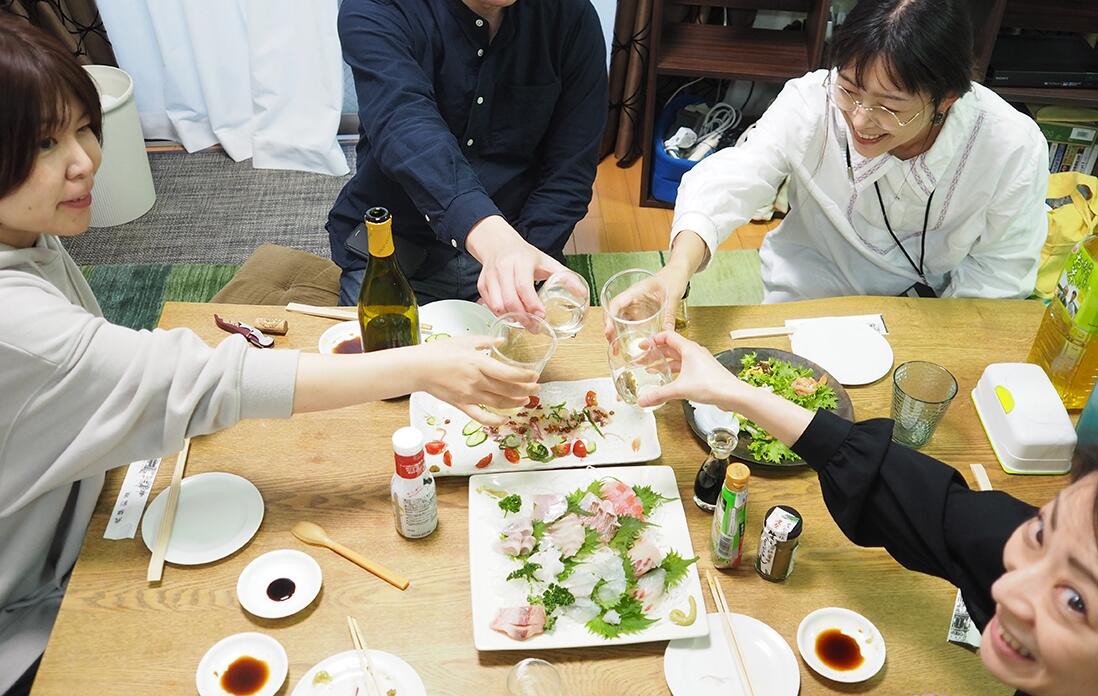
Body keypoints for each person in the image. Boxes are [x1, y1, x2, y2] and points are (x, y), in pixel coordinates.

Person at [0, 18, 539, 696]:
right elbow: (203, 380)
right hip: (28, 609)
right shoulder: (17, 322)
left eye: (84, 128)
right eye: (44, 142)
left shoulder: (25, 230)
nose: (84, 161)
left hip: (81, 498)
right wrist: (426, 366)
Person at [637, 331, 1098, 696]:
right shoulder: (1047, 543)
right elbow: (903, 491)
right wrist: (733, 392)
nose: (1006, 588)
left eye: (1075, 601)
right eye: (1041, 530)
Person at [648, 0, 1048, 319]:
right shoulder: (811, 101)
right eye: (849, 90)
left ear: (946, 99)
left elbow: (1000, 272)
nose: (859, 120)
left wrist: (931, 343)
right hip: (807, 292)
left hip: (929, 312)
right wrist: (678, 268)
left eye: (889, 107)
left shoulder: (1010, 146)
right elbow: (736, 176)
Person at [328, 0, 608, 316]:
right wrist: (494, 242)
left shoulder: (570, 17)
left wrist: (518, 266)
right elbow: (404, 127)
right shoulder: (378, 7)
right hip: (398, 246)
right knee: (375, 347)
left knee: (558, 346)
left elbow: (570, 169)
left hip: (520, 240)